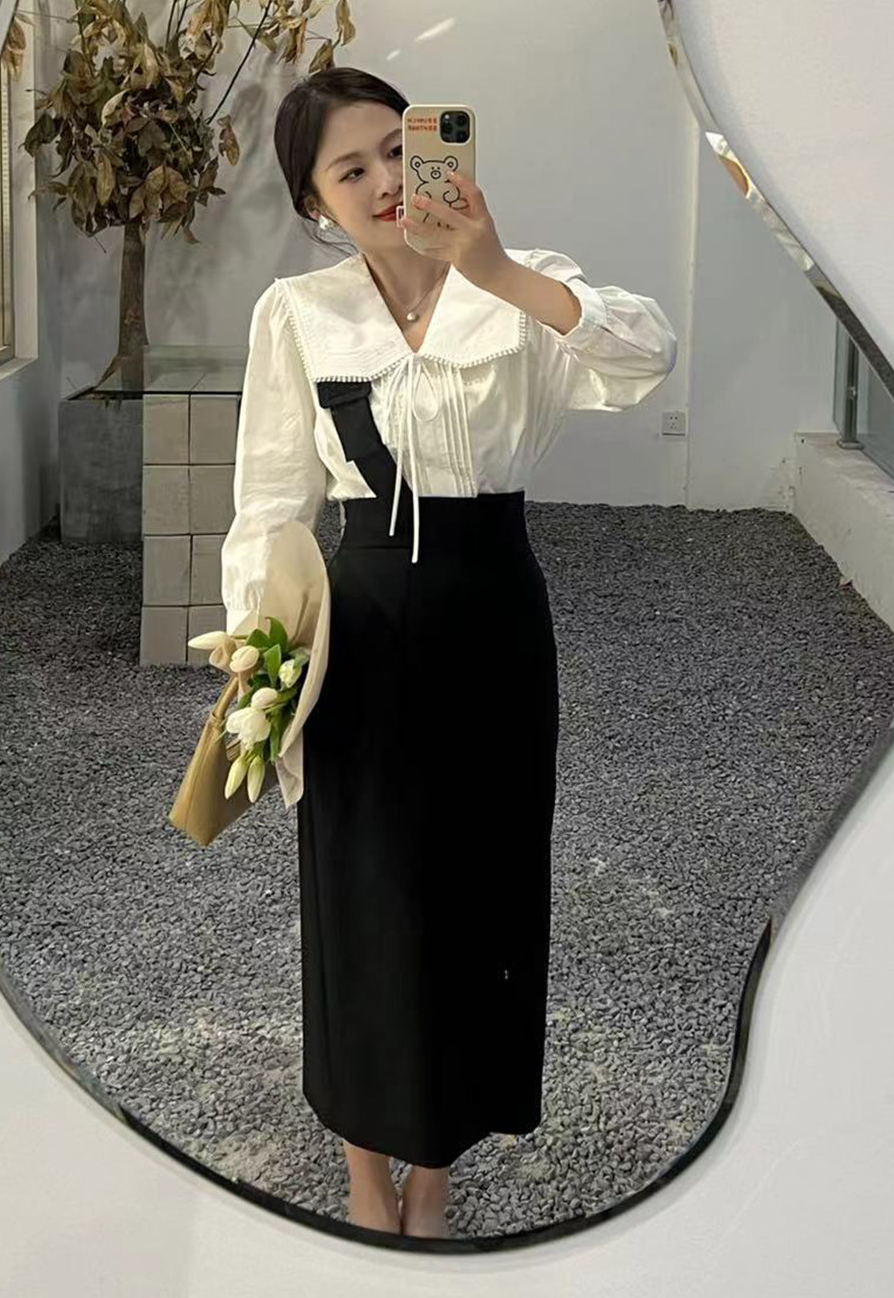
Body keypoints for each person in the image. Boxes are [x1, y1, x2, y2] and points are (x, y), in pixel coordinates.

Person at [219, 66, 677, 1239]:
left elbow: (644, 358)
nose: (383, 181)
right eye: (349, 169)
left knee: (480, 886)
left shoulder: (520, 284)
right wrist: (260, 652)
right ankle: (366, 1175)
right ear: (316, 201)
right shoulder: (300, 314)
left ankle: (434, 1176)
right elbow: (270, 499)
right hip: (359, 625)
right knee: (363, 890)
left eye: (396, 149)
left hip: (492, 622)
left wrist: (497, 268)